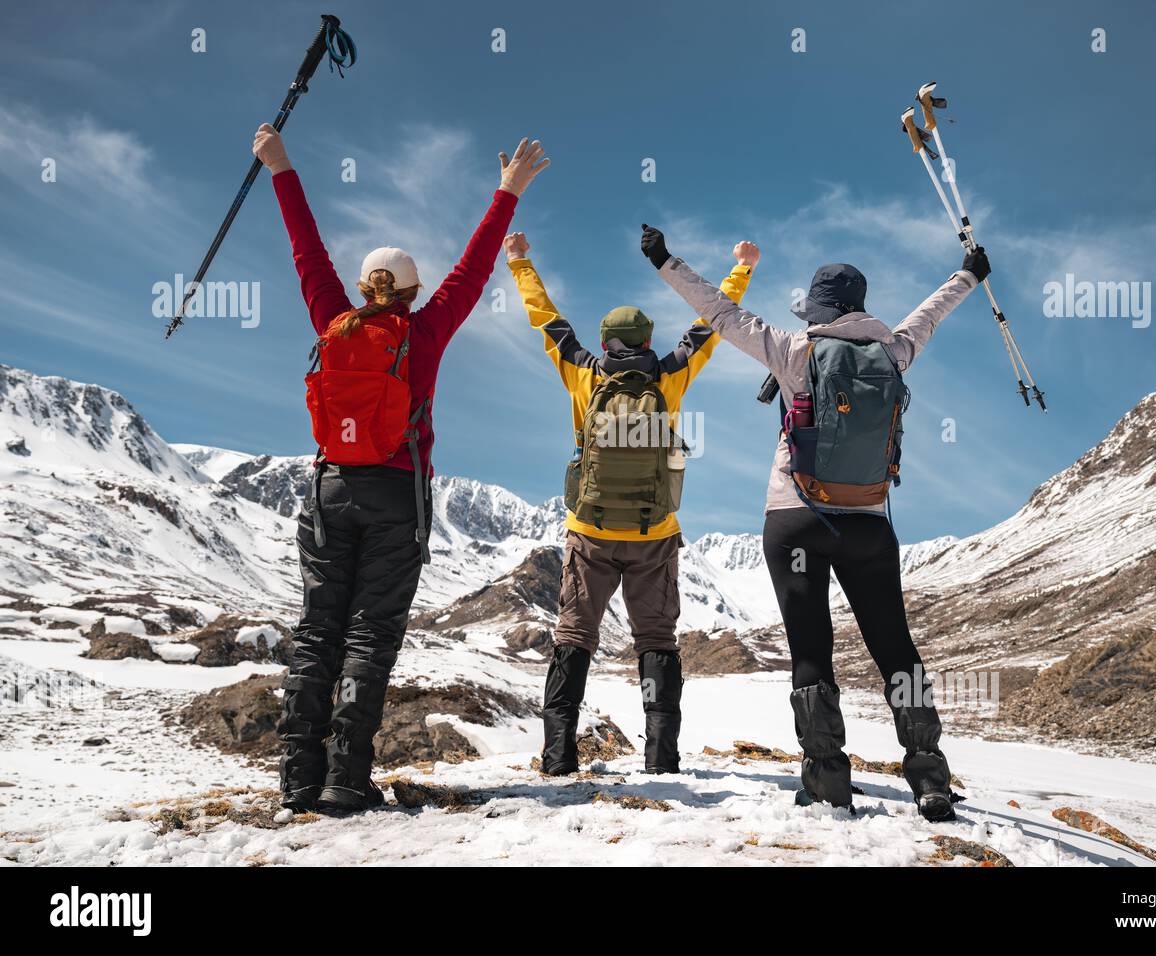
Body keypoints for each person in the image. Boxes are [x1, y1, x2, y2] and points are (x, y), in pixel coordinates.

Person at [641, 224, 989, 821]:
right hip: (869, 522)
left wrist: (664, 260)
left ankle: (827, 778)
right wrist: (969, 274)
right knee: (896, 647)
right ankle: (929, 776)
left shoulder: (793, 349)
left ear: (818, 310)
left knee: (811, 647)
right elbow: (931, 313)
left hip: (795, 518)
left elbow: (720, 313)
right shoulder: (894, 349)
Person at [254, 124, 549, 815]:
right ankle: (346, 782)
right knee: (369, 635)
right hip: (397, 494)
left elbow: (307, 251)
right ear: (412, 293)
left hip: (329, 488)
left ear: (362, 289)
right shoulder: (425, 330)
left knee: (318, 630)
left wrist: (281, 166)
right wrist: (507, 192)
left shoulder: (333, 319)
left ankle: (298, 778)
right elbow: (474, 271)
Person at [503, 226, 759, 775]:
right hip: (654, 536)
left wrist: (520, 261)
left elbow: (545, 317)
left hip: (589, 531)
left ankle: (557, 754)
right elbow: (712, 322)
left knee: (575, 635)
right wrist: (742, 268)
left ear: (604, 342)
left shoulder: (582, 372)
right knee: (656, 640)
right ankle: (661, 756)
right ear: (646, 341)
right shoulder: (669, 375)